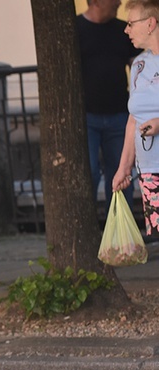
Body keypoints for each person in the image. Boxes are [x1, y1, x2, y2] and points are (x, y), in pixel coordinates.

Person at [77, 0, 141, 211]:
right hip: (86, 116)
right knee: (90, 172)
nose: (119, 2)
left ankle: (120, 227)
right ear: (95, 1)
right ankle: (91, 224)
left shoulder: (123, 30)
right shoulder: (75, 29)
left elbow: (137, 67)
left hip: (120, 114)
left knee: (121, 173)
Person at [114, 0, 159, 235]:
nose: (126, 29)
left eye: (131, 23)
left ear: (150, 23)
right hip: (149, 170)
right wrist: (124, 168)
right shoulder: (139, 65)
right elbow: (134, 119)